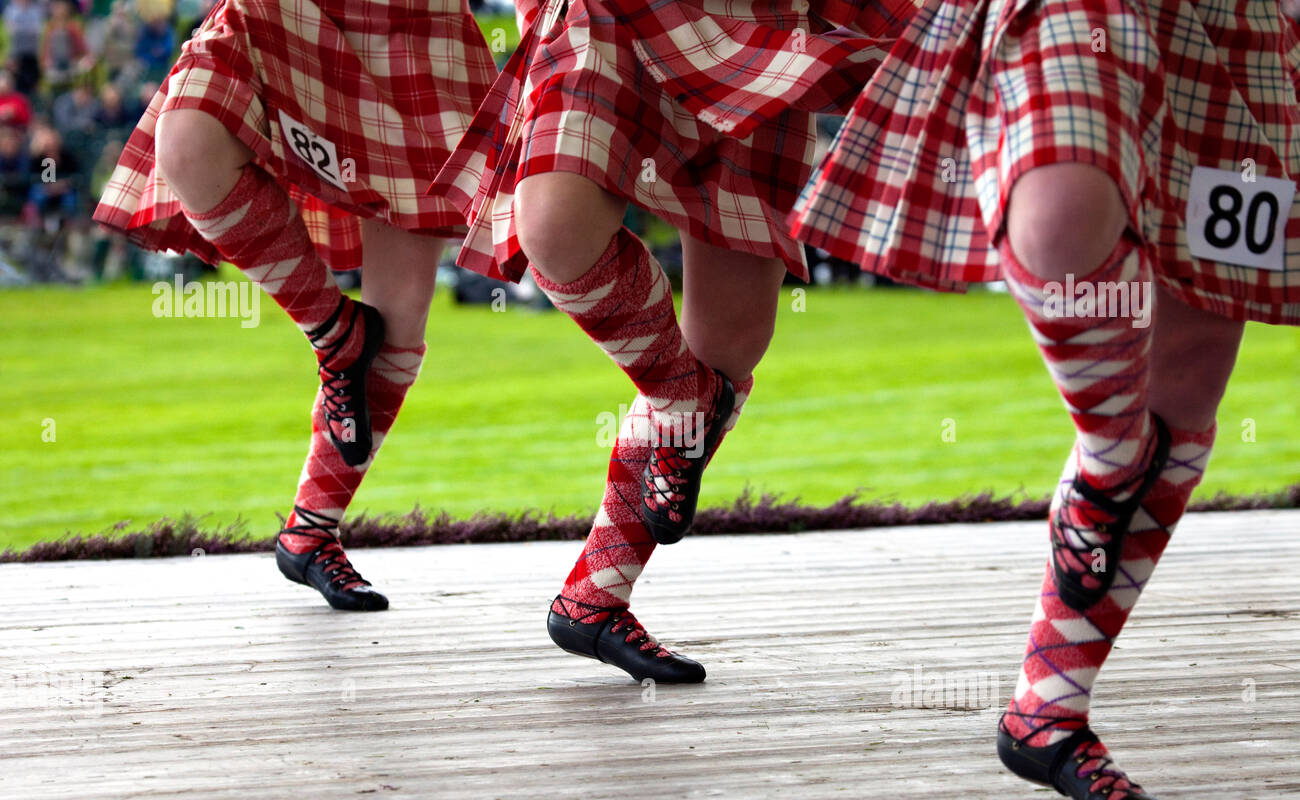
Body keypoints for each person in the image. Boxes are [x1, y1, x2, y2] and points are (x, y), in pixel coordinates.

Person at [793, 0, 1299, 800]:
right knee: (1061, 219)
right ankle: (1112, 456)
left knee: (1196, 353)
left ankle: (1048, 714)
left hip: (1239, 23)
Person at [433, 0, 910, 681]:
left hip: (759, 32)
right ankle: (686, 400)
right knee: (556, 229)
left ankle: (594, 597)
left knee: (733, 337)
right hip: (617, 17)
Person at [94, 1, 497, 610]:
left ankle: (311, 531)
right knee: (187, 143)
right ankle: (335, 332)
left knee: (400, 313)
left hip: (421, 24)